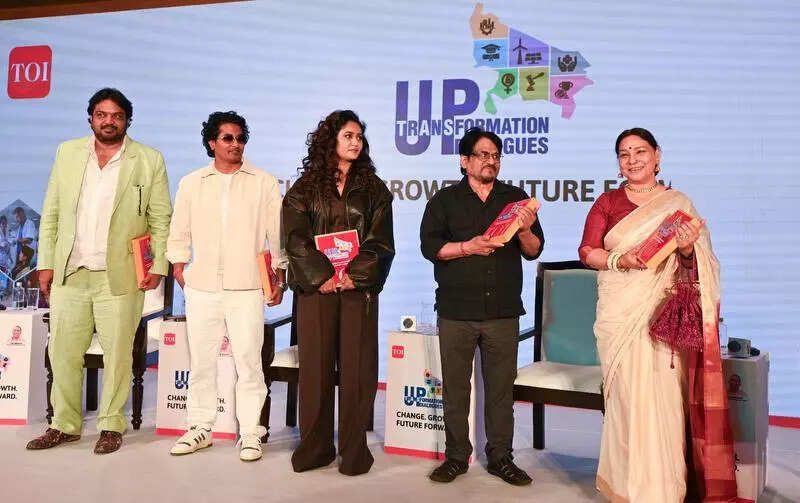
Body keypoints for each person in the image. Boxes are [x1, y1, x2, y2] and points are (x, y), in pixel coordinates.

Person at [578, 127, 737, 502]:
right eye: (624, 154)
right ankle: (626, 486)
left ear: (657, 156)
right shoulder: (607, 202)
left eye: (640, 152)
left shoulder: (678, 204)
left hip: (662, 314)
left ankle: (664, 488)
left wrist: (686, 250)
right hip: (620, 314)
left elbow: (701, 264)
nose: (632, 160)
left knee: (663, 401)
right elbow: (587, 251)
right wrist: (622, 260)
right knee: (628, 401)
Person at [27, 88, 171, 454]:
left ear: (127, 121)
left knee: (118, 355)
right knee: (63, 352)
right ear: (91, 118)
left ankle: (110, 425)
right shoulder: (68, 152)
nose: (109, 121)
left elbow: (160, 219)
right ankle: (64, 424)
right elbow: (52, 212)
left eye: (117, 116)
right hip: (70, 272)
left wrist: (158, 265)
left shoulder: (148, 159)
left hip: (118, 275)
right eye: (102, 114)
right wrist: (46, 263)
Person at [419, 127, 543, 485]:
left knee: (501, 390)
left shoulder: (516, 199)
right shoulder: (444, 201)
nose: (491, 161)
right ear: (464, 161)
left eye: (496, 156)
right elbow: (431, 248)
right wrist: (468, 248)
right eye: (483, 155)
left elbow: (534, 250)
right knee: (456, 389)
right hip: (456, 310)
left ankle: (501, 457)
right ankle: (456, 456)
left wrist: (524, 229)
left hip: (502, 311)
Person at [166, 111, 287, 461]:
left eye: (240, 138)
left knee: (249, 364)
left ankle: (250, 433)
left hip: (247, 287)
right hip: (201, 287)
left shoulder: (263, 181)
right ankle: (200, 427)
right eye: (228, 138)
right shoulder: (192, 183)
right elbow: (179, 231)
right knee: (202, 363)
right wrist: (180, 268)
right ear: (212, 142)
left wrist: (279, 275)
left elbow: (277, 233)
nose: (236, 144)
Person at [283, 110, 394, 476]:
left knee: (358, 371)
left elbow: (381, 242)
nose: (355, 142)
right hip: (317, 291)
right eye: (348, 135)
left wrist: (353, 276)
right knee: (315, 371)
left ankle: (354, 451)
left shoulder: (374, 189)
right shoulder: (304, 188)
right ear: (330, 140)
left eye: (359, 137)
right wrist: (323, 275)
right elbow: (295, 238)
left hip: (356, 291)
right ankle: (315, 448)